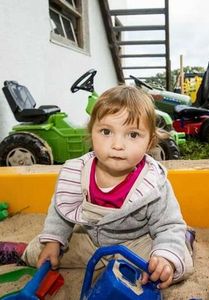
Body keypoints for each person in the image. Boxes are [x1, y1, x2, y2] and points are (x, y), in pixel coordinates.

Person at [22, 85, 193, 288]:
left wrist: (165, 256)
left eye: (133, 135)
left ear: (150, 142)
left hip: (136, 244)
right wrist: (54, 241)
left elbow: (168, 225)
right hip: (91, 242)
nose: (117, 145)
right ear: (91, 133)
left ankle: (182, 243)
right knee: (38, 251)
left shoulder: (153, 184)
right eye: (106, 131)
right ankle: (18, 251)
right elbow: (61, 210)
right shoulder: (78, 172)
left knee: (170, 263)